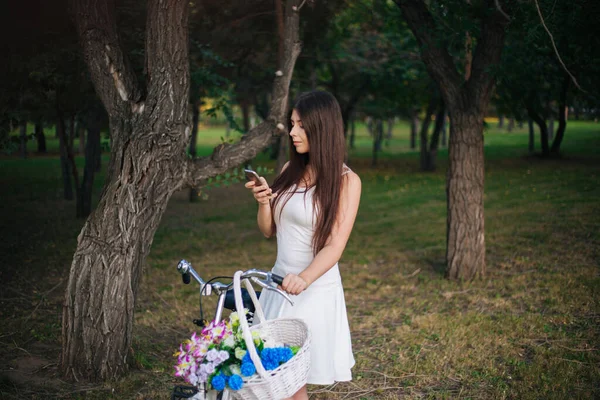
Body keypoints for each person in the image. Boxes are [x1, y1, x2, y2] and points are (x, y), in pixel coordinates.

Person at [245, 90, 361, 400]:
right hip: (276, 285)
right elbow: (269, 231)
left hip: (312, 289)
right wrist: (264, 203)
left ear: (322, 128)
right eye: (292, 124)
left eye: (301, 125)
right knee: (271, 379)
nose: (293, 132)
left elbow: (335, 246)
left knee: (291, 383)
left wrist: (304, 278)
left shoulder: (346, 181)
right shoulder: (289, 170)